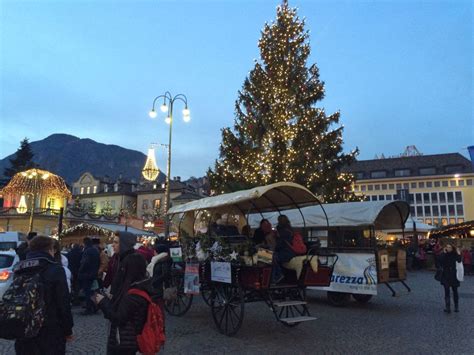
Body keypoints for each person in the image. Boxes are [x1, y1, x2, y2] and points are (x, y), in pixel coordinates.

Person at [14, 236, 73, 355]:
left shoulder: (20, 267)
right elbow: (63, 303)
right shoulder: (55, 269)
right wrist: (68, 329)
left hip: (24, 326)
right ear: (50, 250)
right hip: (50, 329)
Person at [94, 253, 150, 355]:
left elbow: (118, 317)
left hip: (126, 343)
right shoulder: (142, 287)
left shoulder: (133, 294)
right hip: (129, 341)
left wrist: (103, 302)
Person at [108, 232, 137, 299]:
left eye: (116, 242)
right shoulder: (118, 257)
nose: (112, 245)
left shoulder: (133, 261)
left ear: (124, 244)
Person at [78, 237, 100, 315]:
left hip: (86, 274)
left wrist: (80, 271)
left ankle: (89, 309)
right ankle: (94, 307)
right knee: (92, 292)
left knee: (88, 292)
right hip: (93, 274)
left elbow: (84, 263)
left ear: (84, 243)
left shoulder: (87, 251)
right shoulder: (95, 251)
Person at [147, 243, 172, 314]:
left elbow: (165, 274)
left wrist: (154, 281)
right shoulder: (157, 260)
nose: (153, 252)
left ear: (158, 252)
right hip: (156, 288)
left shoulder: (162, 261)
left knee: (159, 309)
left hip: (159, 288)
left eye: (155, 251)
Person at [438, 243, 462, 313]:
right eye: (447, 247)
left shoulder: (455, 254)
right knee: (446, 291)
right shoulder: (444, 254)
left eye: (449, 247)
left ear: (452, 248)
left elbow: (459, 261)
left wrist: (458, 253)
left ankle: (456, 306)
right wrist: (444, 253)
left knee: (455, 291)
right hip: (446, 275)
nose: (448, 248)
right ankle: (448, 307)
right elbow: (440, 261)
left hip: (454, 275)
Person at [272, 215, 296, 284]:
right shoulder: (290, 230)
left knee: (267, 256)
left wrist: (276, 238)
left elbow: (279, 245)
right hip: (290, 252)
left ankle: (277, 275)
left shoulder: (282, 231)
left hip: (286, 253)